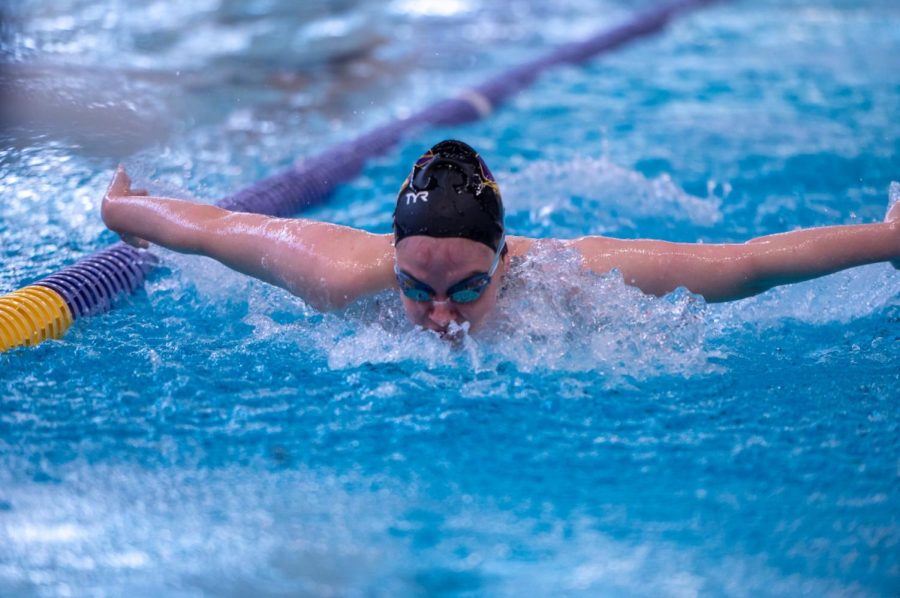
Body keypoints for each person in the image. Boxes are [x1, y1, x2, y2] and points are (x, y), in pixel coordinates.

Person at [102, 140, 900, 338]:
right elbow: (212, 230)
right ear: (391, 255)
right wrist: (122, 213)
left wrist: (889, 238)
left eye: (468, 288)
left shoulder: (573, 276)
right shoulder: (342, 274)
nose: (440, 314)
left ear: (504, 260)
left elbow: (747, 263)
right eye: (416, 287)